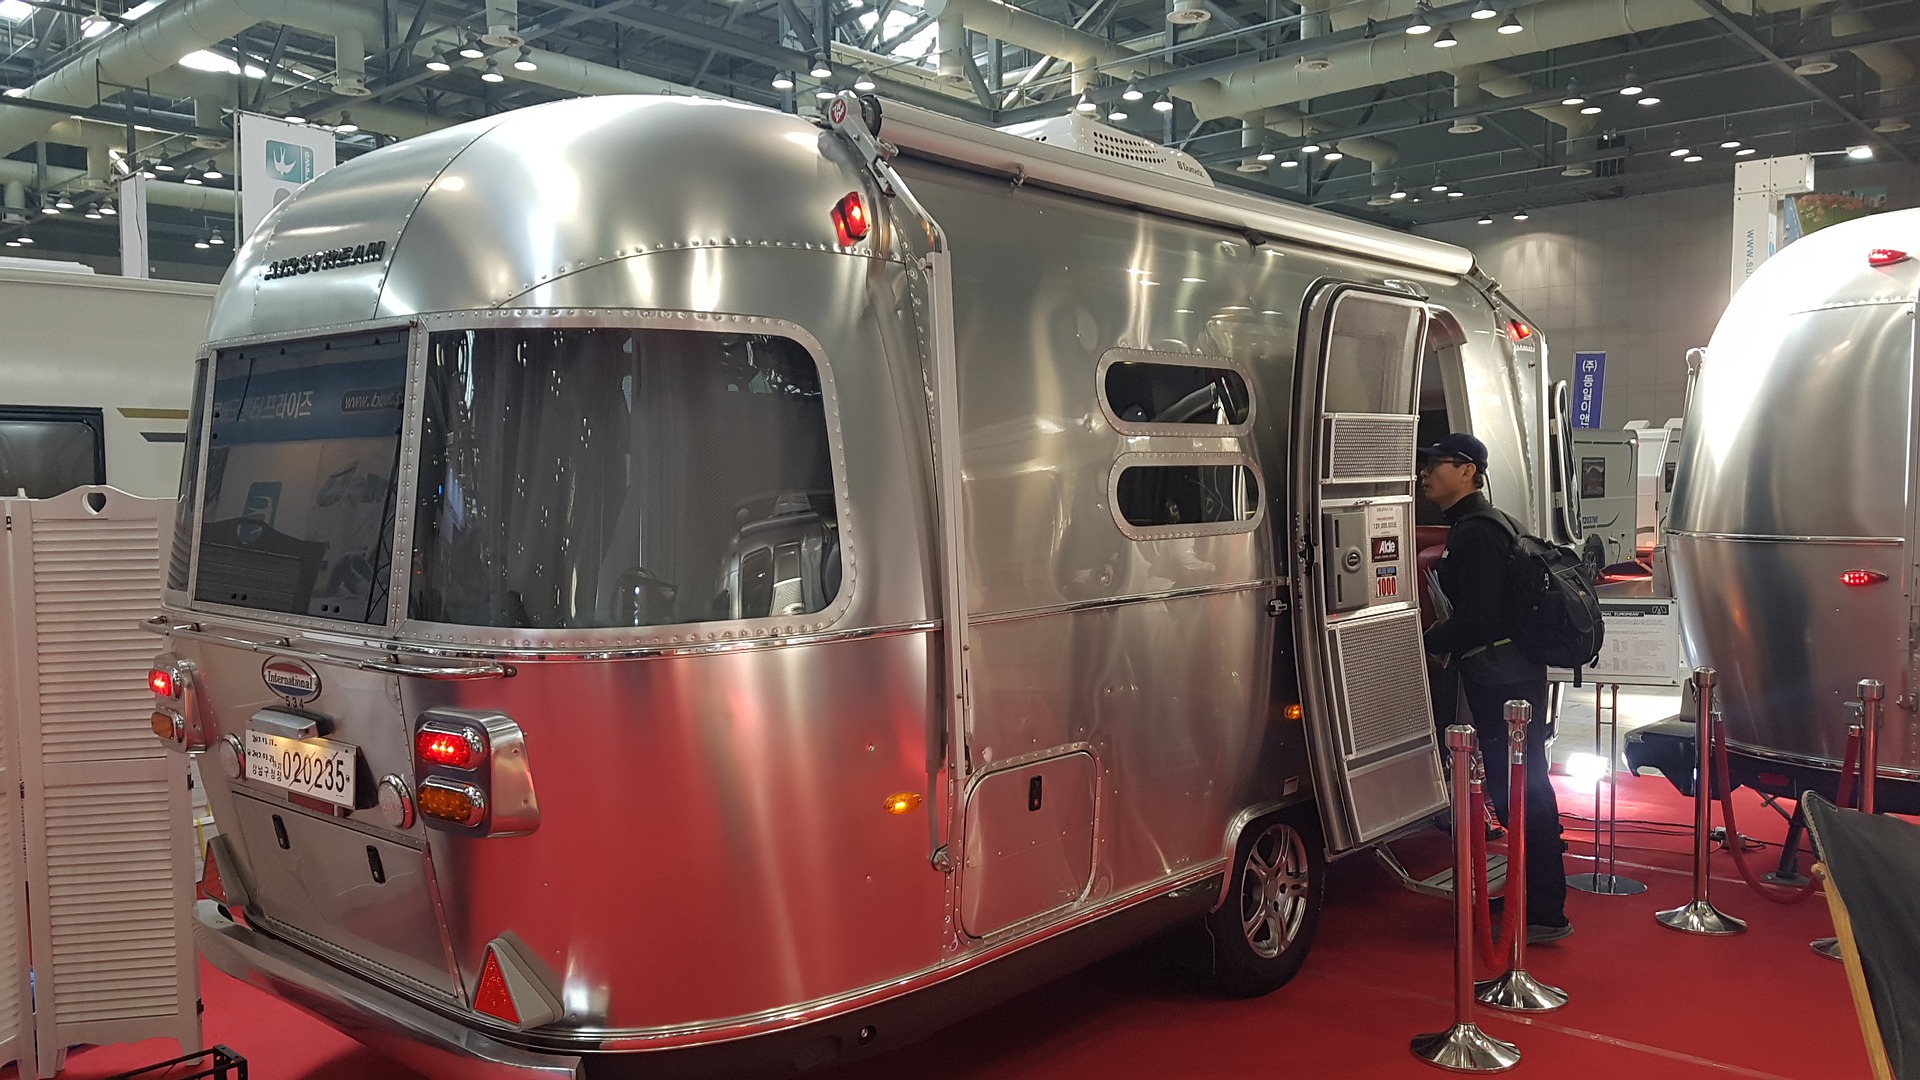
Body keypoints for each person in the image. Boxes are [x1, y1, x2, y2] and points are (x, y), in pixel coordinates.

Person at [1418, 432, 1572, 943]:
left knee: (1521, 791)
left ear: (1468, 470)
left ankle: (1546, 910)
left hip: (1501, 679)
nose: (1425, 475)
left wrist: (1432, 638)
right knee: (1523, 787)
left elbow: (1481, 617)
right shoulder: (1487, 523)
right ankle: (1537, 895)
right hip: (1512, 673)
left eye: (1435, 464)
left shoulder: (1477, 532)